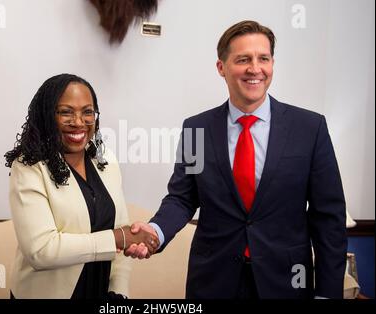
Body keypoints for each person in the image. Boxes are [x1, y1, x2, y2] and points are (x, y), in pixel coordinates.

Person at [126, 20, 347, 299]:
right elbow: (182, 198)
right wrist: (155, 230)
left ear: (272, 64)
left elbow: (329, 219)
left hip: (288, 283)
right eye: (243, 59)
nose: (255, 68)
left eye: (263, 58)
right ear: (222, 67)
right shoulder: (197, 129)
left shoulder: (310, 128)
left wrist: (327, 293)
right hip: (213, 281)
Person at [5, 73, 158, 299]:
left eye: (87, 112)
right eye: (66, 112)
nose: (78, 122)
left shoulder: (106, 160)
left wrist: (119, 292)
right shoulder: (29, 167)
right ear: (47, 116)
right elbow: (41, 251)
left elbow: (122, 229)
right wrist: (117, 238)